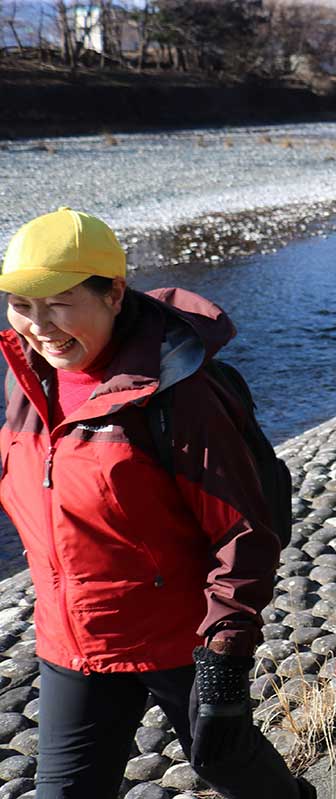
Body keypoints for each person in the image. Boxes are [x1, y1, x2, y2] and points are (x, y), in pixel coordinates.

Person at [0, 208, 312, 799]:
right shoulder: (25, 379)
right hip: (76, 639)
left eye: (59, 302)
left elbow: (243, 534)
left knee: (229, 767)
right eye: (21, 303)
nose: (38, 325)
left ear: (114, 292)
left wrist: (225, 657)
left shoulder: (177, 393)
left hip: (182, 639)